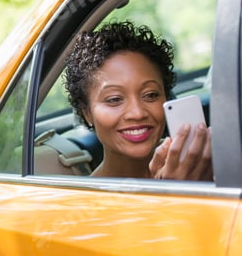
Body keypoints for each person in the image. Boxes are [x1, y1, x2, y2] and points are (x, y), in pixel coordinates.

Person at [63, 21, 213, 180]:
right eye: (114, 99)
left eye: (150, 95)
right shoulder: (85, 201)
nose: (137, 113)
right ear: (87, 112)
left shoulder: (207, 162)